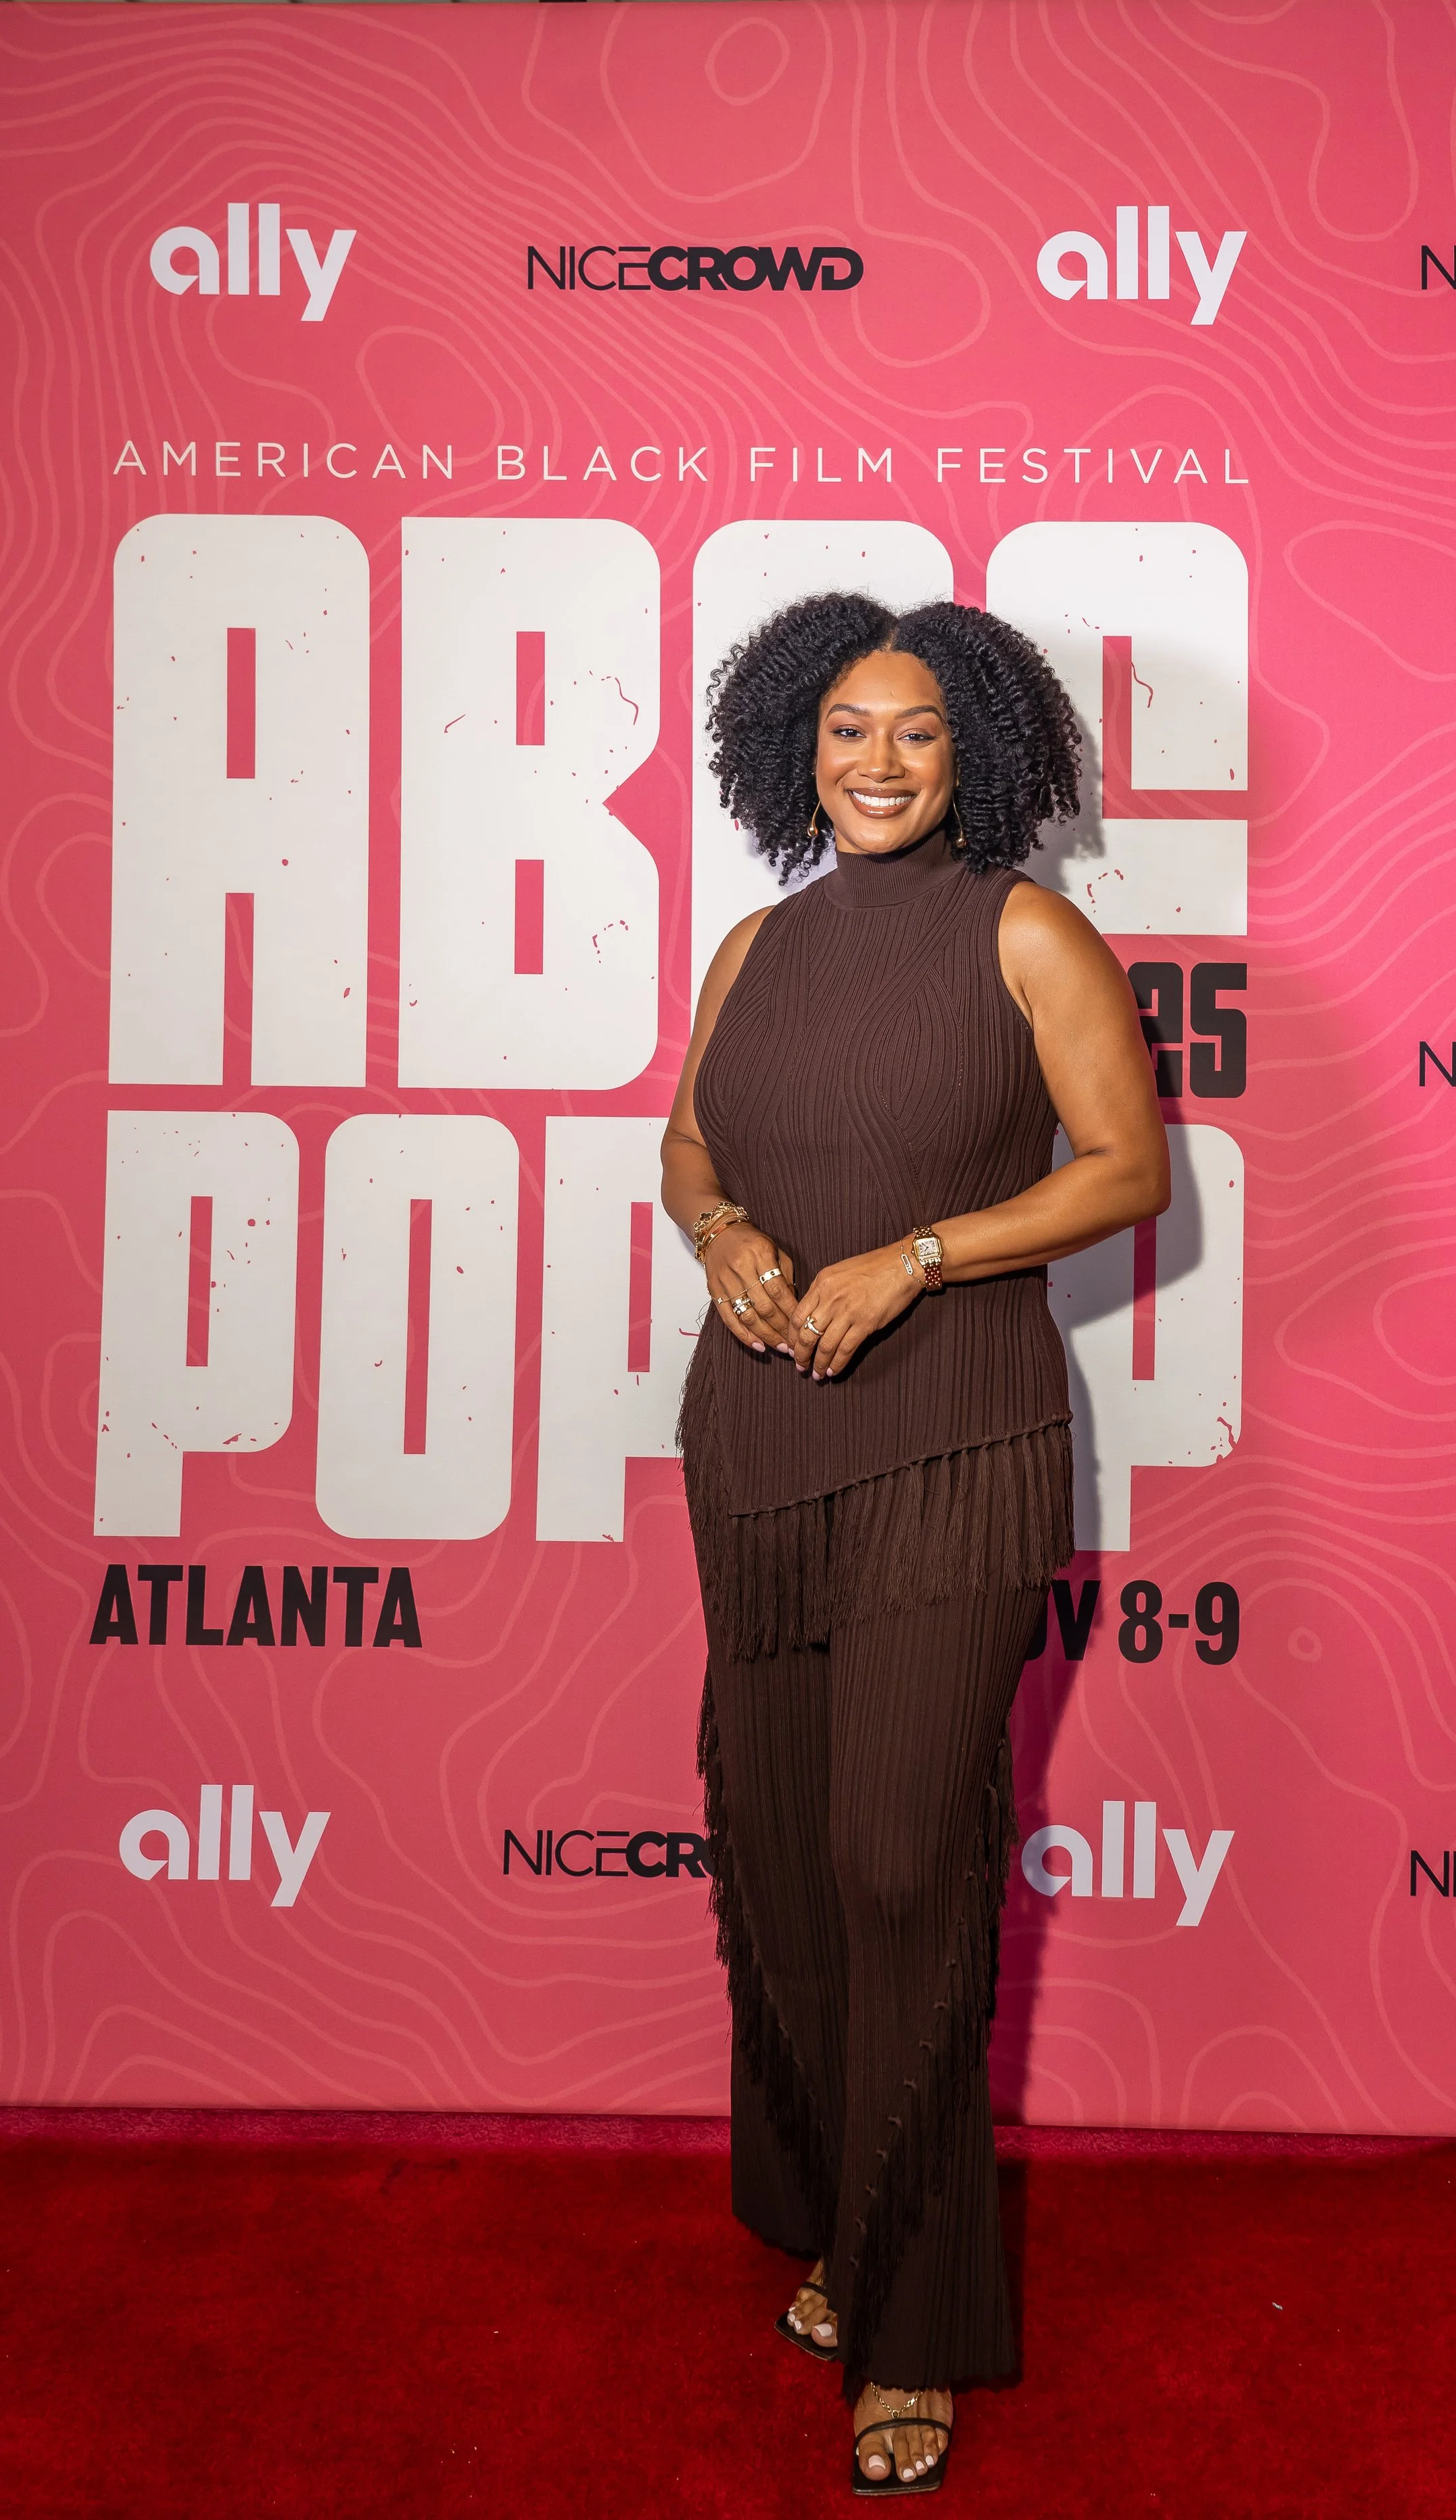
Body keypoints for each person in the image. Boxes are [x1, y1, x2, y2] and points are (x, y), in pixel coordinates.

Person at [662, 595, 1168, 2496]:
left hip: (952, 1441)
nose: (875, 764)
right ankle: (830, 2226)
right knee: (778, 1847)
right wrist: (719, 1240)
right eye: (846, 730)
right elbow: (684, 1148)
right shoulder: (755, 944)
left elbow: (1128, 1169)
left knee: (898, 1862)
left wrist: (920, 1254)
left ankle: (916, 2322)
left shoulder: (1024, 931)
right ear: (795, 740)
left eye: (919, 736)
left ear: (981, 758)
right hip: (757, 1437)